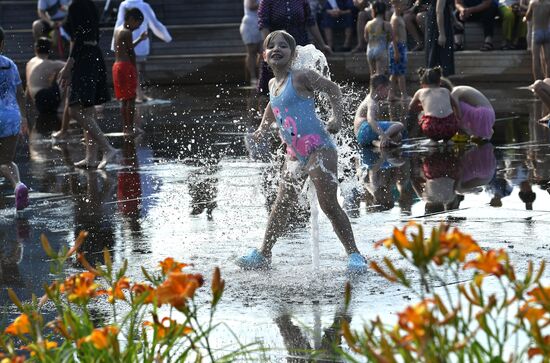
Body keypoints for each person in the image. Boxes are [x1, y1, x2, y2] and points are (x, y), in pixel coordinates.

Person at [236, 31, 367, 273]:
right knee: (281, 203)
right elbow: (272, 105)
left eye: (283, 46)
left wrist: (337, 118)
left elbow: (334, 89)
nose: (277, 49)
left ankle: (355, 255)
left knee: (328, 205)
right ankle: (264, 254)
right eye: (271, 46)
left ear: (293, 54)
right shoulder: (272, 84)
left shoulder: (302, 77)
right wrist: (263, 127)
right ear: (264, 56)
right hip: (295, 153)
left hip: (319, 148)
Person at [58, 0, 118, 169]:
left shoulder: (76, 6)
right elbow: (93, 35)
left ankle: (107, 148)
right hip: (94, 55)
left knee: (75, 110)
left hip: (84, 57)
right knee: (87, 109)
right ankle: (90, 158)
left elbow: (79, 38)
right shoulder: (90, 4)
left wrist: (68, 66)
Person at [257, 0, 332, 94]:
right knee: (270, 91)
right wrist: (269, 48)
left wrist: (322, 44)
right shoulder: (267, 1)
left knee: (303, 86)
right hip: (278, 52)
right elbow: (263, 24)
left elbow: (310, 21)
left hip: (299, 48)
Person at [112, 0, 172, 103]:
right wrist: (166, 37)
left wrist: (115, 42)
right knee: (137, 69)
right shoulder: (143, 5)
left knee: (135, 71)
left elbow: (119, 22)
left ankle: (138, 93)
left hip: (125, 41)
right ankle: (139, 94)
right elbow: (154, 22)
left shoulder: (124, 5)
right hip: (138, 41)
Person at [0, 27, 29, 211]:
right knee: (6, 160)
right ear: (2, 43)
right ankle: (18, 184)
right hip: (11, 116)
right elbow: (20, 93)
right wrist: (24, 118)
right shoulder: (10, 64)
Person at [113, 7, 148, 135]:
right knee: (131, 98)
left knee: (123, 98)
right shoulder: (127, 32)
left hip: (117, 66)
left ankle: (125, 128)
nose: (138, 27)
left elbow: (126, 46)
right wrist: (134, 70)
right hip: (126, 65)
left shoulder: (118, 31)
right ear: (132, 19)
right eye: (138, 23)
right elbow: (131, 52)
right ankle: (130, 128)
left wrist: (140, 39)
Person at [409, 67, 461, 145]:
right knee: (449, 116)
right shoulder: (445, 90)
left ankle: (433, 141)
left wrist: (423, 107)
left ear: (422, 83)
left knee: (421, 114)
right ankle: (448, 140)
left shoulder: (420, 92)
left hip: (432, 128)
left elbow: (411, 107)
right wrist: (458, 118)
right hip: (451, 127)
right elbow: (455, 105)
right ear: (440, 81)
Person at [354, 74, 405, 147]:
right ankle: (382, 138)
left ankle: (377, 143)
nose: (388, 93)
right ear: (380, 88)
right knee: (399, 125)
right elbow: (370, 119)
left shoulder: (371, 98)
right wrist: (383, 135)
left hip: (361, 137)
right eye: (387, 90)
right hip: (365, 130)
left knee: (398, 136)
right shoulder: (371, 102)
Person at [425, 0, 454, 76]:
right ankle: (435, 80)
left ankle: (440, 79)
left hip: (441, 20)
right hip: (437, 24)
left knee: (443, 54)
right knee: (438, 54)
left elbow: (447, 7)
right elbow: (439, 11)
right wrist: (441, 34)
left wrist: (455, 21)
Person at [524, 0, 550, 80]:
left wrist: (524, 18)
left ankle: (537, 81)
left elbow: (528, 17)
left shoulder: (533, 3)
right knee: (548, 59)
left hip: (536, 32)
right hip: (547, 31)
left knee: (535, 58)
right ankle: (548, 80)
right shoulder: (549, 3)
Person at [388, 0, 409, 100]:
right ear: (396, 5)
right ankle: (403, 95)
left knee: (395, 73)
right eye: (403, 5)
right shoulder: (395, 19)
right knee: (400, 73)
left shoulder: (399, 16)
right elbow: (393, 36)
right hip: (398, 47)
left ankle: (391, 94)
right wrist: (396, 51)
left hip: (401, 46)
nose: (404, 7)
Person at [240, 0, 262, 86]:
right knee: (251, 52)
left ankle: (261, 76)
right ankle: (252, 77)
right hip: (250, 24)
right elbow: (251, 6)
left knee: (262, 51)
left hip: (261, 23)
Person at [365, 1, 391, 76]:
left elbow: (366, 38)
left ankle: (371, 88)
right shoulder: (386, 24)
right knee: (380, 75)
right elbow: (391, 38)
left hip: (370, 50)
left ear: (373, 10)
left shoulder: (368, 24)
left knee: (372, 75)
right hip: (381, 50)